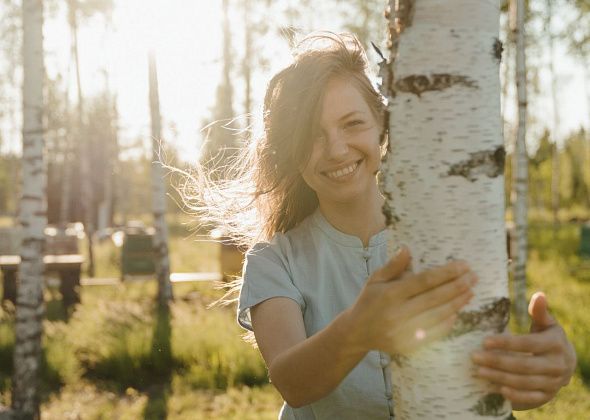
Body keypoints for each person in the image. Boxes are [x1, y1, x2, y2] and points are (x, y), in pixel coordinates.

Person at [190, 32, 577, 419]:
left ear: (382, 127)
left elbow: (479, 389)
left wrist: (540, 374)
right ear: (291, 152)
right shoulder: (274, 260)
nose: (337, 149)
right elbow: (292, 381)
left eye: (352, 124)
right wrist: (359, 329)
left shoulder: (446, 236)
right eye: (312, 136)